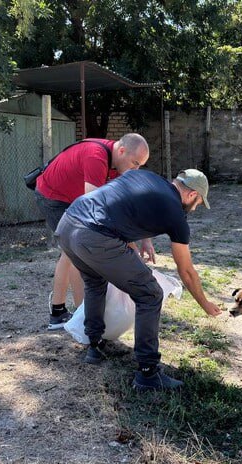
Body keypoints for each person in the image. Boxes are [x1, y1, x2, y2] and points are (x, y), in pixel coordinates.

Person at [55, 169, 224, 391]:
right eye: (199, 203)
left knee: (95, 284)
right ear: (192, 195)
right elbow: (187, 271)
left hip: (68, 224)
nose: (196, 208)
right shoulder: (176, 213)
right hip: (95, 236)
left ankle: (94, 346)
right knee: (151, 294)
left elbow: (124, 202)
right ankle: (148, 373)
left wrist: (145, 240)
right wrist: (205, 304)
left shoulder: (148, 177)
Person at [35, 133, 152, 330]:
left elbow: (130, 203)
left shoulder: (119, 165)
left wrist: (144, 239)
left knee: (72, 252)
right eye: (135, 163)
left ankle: (63, 312)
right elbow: (93, 210)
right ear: (121, 151)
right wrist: (128, 242)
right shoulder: (96, 157)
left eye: (140, 165)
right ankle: (80, 315)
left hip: (74, 198)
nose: (136, 169)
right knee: (75, 251)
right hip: (54, 197)